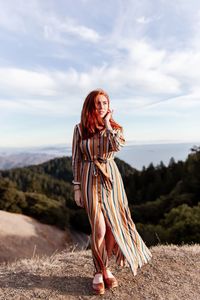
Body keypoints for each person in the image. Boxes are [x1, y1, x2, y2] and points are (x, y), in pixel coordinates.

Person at [71, 89, 152, 295]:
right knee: (98, 227)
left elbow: (117, 145)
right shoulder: (80, 129)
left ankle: (106, 269)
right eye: (97, 103)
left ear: (109, 106)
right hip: (89, 178)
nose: (101, 107)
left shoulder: (115, 128)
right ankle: (98, 271)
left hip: (111, 180)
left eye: (105, 103)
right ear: (90, 106)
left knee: (112, 226)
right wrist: (77, 187)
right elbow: (76, 160)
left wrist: (107, 124)